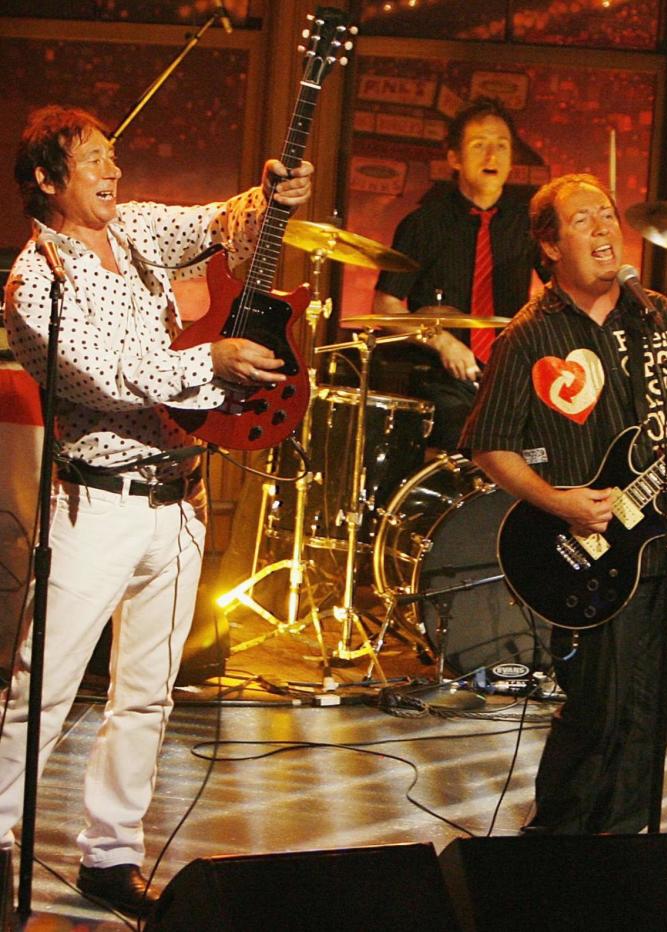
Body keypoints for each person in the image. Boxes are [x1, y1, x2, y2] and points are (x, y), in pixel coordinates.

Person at [3, 104, 313, 916]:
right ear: (46, 180)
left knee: (146, 694)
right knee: (42, 691)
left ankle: (111, 856)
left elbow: (215, 222)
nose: (114, 172)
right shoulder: (38, 282)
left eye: (114, 157)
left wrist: (267, 199)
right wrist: (209, 359)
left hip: (178, 498)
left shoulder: (134, 230)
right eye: (94, 161)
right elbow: (109, 374)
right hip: (95, 507)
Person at [460, 173, 667, 833]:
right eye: (583, 220)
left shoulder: (657, 317)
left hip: (662, 541)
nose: (604, 230)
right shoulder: (530, 336)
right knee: (602, 705)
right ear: (551, 246)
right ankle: (556, 839)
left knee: (665, 699)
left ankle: (618, 844)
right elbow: (487, 446)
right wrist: (559, 503)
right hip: (582, 552)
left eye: (608, 216)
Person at [371, 97, 540, 450]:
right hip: (441, 380)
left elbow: (561, 291)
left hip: (510, 376)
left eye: (502, 146)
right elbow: (386, 306)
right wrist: (441, 340)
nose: (492, 157)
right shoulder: (424, 223)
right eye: (479, 146)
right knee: (461, 423)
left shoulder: (529, 224)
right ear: (454, 158)